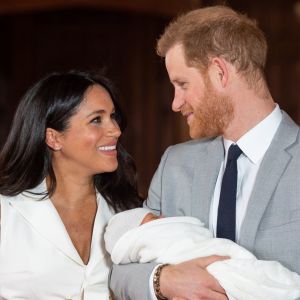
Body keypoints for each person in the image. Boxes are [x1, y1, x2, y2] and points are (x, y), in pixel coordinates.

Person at [110, 5, 300, 300]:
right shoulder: (175, 164)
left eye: (182, 84)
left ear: (220, 72)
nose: (175, 103)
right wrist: (164, 280)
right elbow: (122, 269)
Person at [0, 70, 143, 299]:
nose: (115, 130)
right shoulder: (6, 212)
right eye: (96, 120)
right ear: (54, 138)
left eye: (113, 116)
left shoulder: (127, 210)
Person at [105, 208, 300, 300]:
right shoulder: (172, 163)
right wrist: (162, 279)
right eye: (155, 218)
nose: (163, 217)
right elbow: (120, 274)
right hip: (221, 270)